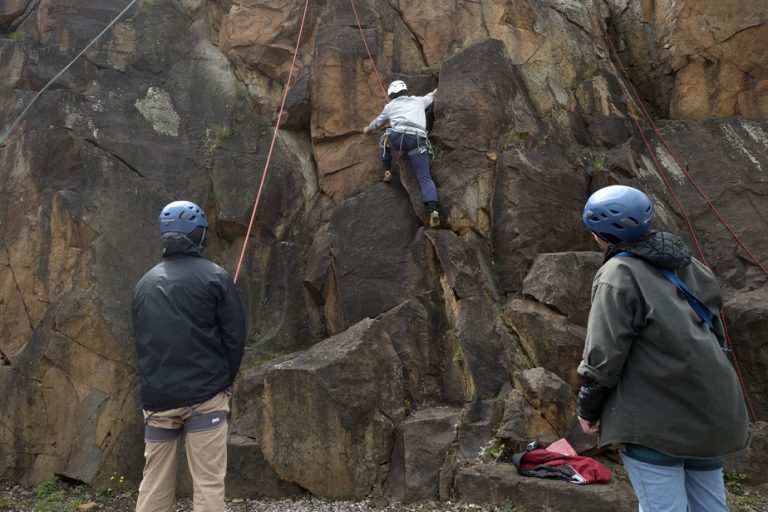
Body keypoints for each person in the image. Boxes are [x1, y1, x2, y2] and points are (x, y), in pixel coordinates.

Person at [576, 185, 750, 512]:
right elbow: (714, 323)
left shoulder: (617, 274)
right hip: (711, 407)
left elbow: (604, 352)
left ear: (600, 233)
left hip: (656, 421)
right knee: (710, 506)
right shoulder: (686, 262)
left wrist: (589, 406)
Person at [132, 200, 246, 512]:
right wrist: (223, 382)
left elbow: (142, 341)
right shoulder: (215, 277)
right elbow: (235, 339)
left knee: (154, 485)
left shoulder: (143, 284)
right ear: (199, 236)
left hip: (158, 400)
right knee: (208, 484)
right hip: (205, 395)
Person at [363, 79, 441, 228]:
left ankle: (387, 170)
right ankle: (434, 211)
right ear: (405, 90)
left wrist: (367, 128)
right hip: (418, 141)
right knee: (425, 177)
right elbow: (433, 95)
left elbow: (378, 122)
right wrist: (439, 87)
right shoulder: (419, 101)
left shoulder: (390, 106)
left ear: (391, 94)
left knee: (385, 137)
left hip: (399, 137)